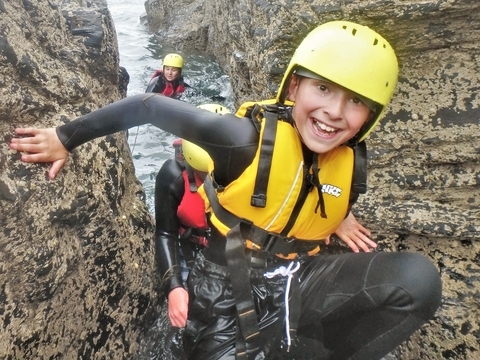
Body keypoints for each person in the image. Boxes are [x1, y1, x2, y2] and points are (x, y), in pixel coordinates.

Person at [9, 20, 442, 360]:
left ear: (370, 115)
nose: (334, 112)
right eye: (323, 88)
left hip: (298, 277)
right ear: (294, 87)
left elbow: (304, 189)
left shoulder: (348, 164)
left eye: (355, 101)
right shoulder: (241, 140)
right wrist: (64, 137)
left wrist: (338, 213)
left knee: (418, 281)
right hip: (225, 280)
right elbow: (149, 105)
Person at [157, 103, 231, 330]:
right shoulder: (173, 175)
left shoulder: (246, 166)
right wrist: (174, 286)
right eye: (203, 175)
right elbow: (165, 233)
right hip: (191, 248)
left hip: (231, 250)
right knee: (187, 323)